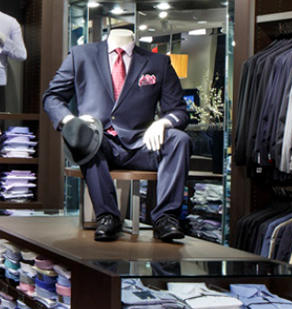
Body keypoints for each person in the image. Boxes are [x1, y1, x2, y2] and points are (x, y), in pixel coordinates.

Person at [44, 25, 190, 242]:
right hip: (99, 140)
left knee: (180, 140)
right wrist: (72, 123)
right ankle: (108, 216)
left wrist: (163, 123)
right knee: (86, 139)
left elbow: (179, 110)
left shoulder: (158, 62)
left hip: (142, 144)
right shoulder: (81, 55)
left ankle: (165, 218)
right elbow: (52, 97)